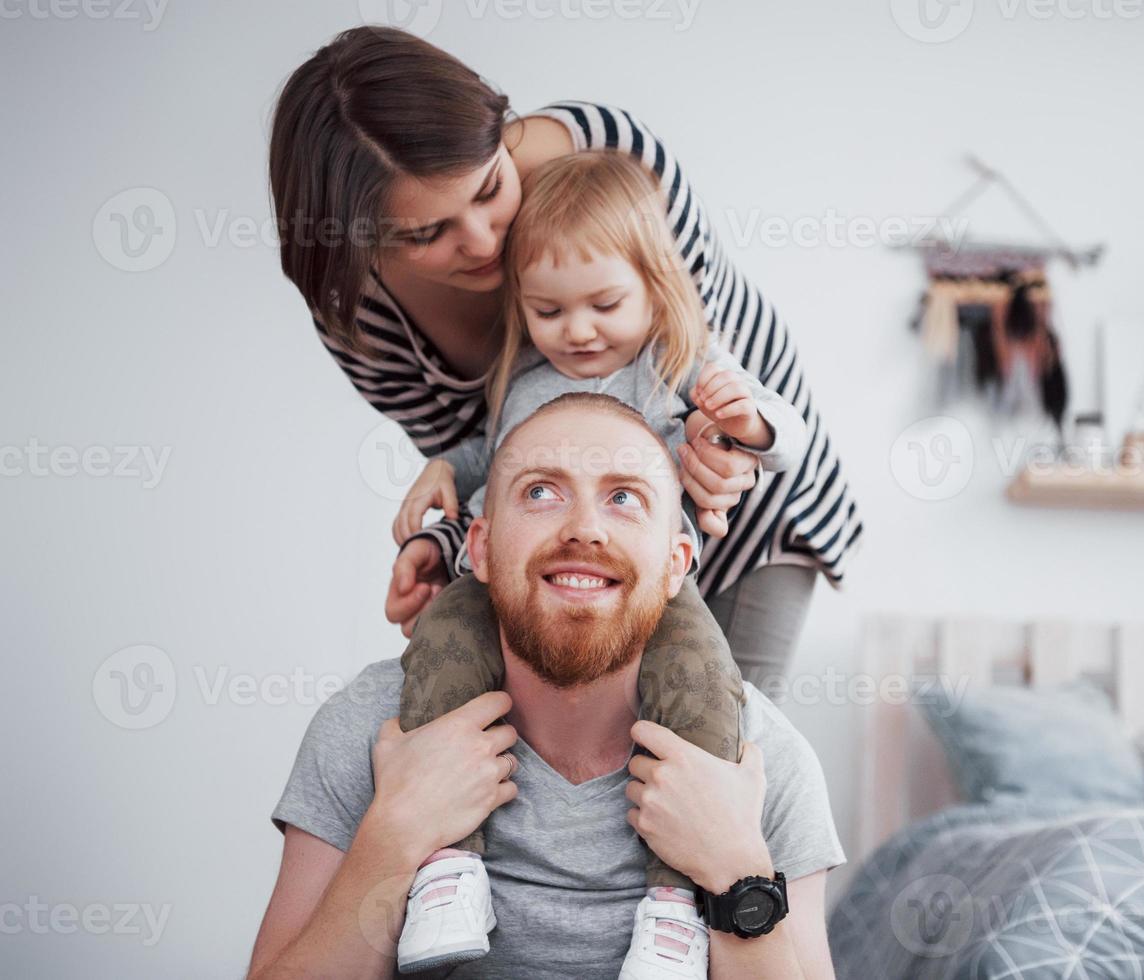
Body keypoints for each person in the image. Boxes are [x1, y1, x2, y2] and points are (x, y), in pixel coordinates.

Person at [267, 27, 864, 696]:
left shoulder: (618, 160)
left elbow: (691, 338)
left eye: (489, 188)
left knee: (727, 735)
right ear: (355, 241)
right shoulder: (364, 319)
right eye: (426, 233)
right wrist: (439, 539)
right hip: (585, 551)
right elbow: (490, 467)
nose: (483, 241)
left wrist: (733, 443)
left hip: (749, 512)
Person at [247, 394, 845, 979]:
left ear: (676, 563)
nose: (584, 529)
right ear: (478, 548)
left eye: (624, 498)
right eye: (540, 492)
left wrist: (736, 867)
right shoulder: (369, 727)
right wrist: (395, 831)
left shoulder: (762, 763)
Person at [392, 150, 808, 973]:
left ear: (654, 288)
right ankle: (448, 868)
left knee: (698, 684)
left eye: (604, 304)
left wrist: (747, 422)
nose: (577, 330)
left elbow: (785, 436)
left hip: (647, 589)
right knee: (441, 649)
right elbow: (487, 465)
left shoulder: (673, 371)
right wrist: (444, 479)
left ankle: (671, 903)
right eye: (548, 311)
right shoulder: (525, 387)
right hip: (526, 582)